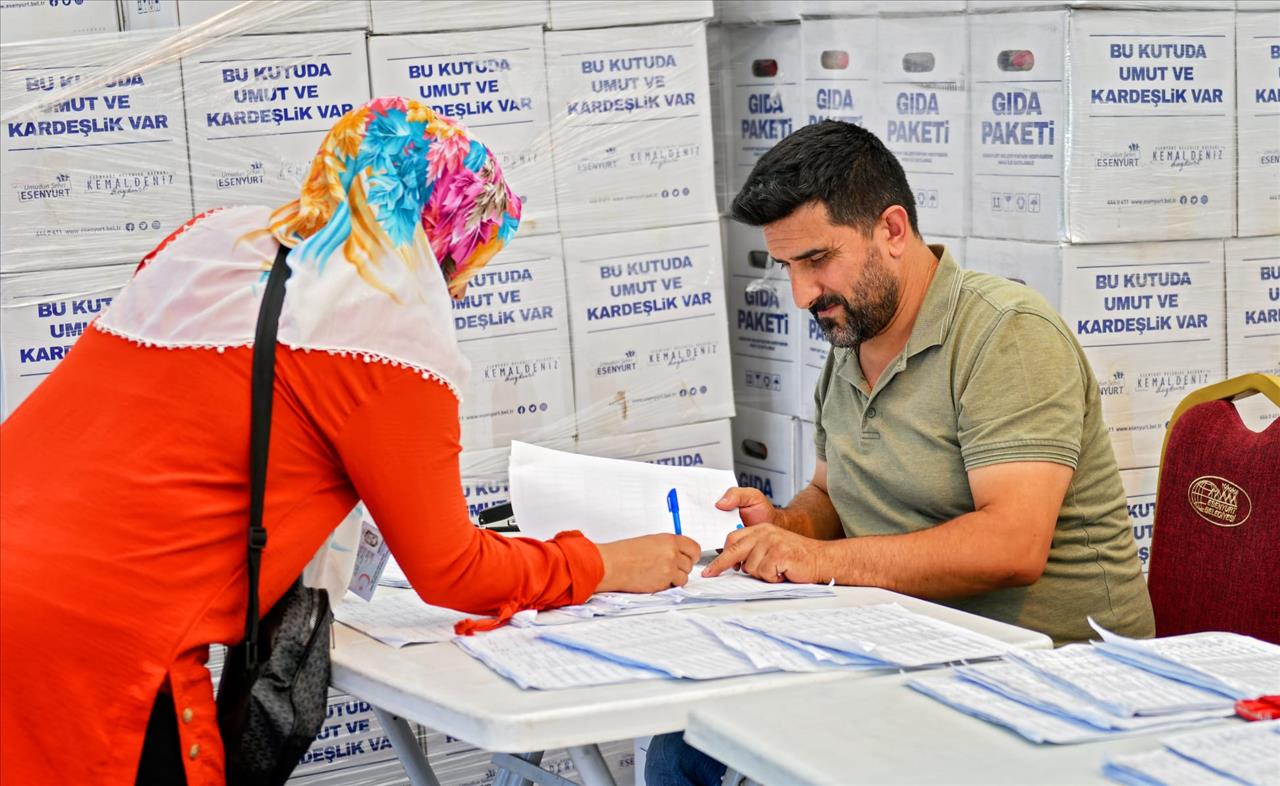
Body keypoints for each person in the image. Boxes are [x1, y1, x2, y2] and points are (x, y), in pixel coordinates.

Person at [0, 97, 700, 786]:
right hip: (86, 649)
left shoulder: (209, 247)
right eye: (466, 265)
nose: (455, 290)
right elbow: (452, 570)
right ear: (445, 237)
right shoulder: (387, 324)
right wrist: (604, 563)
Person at [646, 120, 1154, 785]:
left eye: (818, 260)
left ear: (891, 229)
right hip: (916, 649)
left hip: (1056, 677)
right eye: (787, 267)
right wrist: (782, 529)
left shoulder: (1007, 335)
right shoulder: (853, 338)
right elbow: (831, 496)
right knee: (687, 742)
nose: (802, 294)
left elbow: (1012, 545)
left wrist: (821, 559)